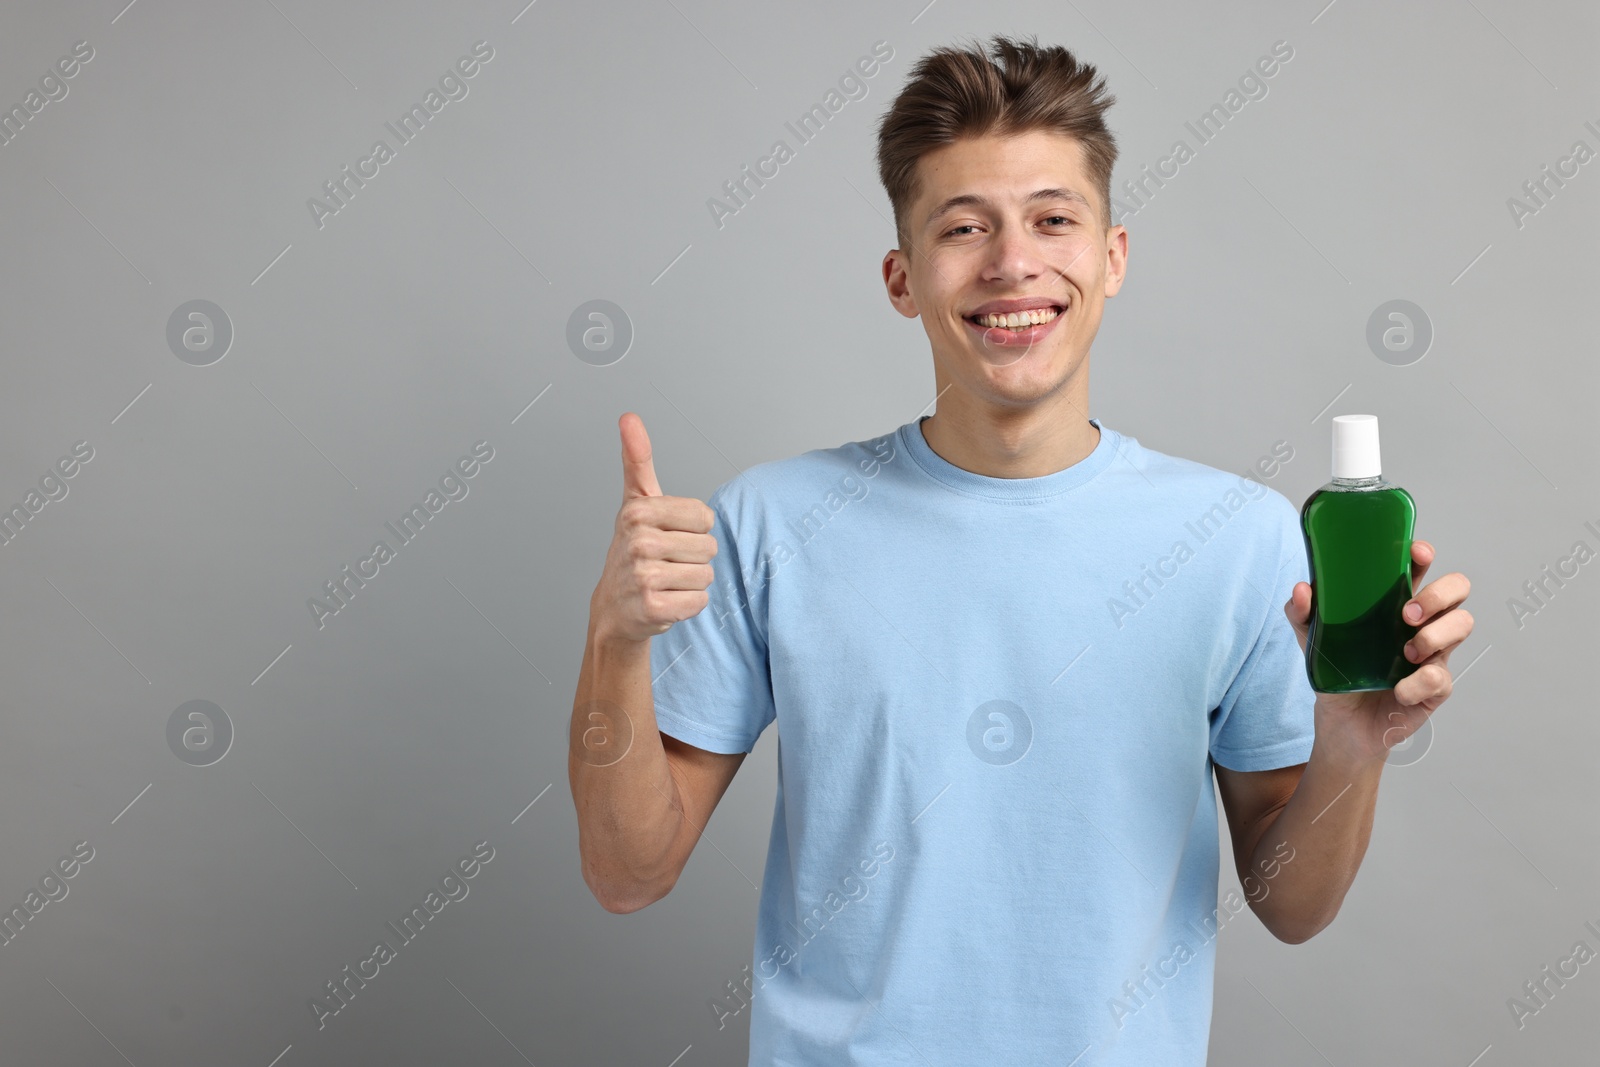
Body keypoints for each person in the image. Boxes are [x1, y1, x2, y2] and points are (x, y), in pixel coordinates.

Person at [569, 33, 1474, 1066]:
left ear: (1111, 257)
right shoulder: (773, 523)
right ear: (902, 278)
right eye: (963, 227)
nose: (1012, 262)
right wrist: (616, 640)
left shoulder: (1238, 538)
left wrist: (1352, 747)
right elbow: (626, 871)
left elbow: (1292, 906)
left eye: (1053, 219)